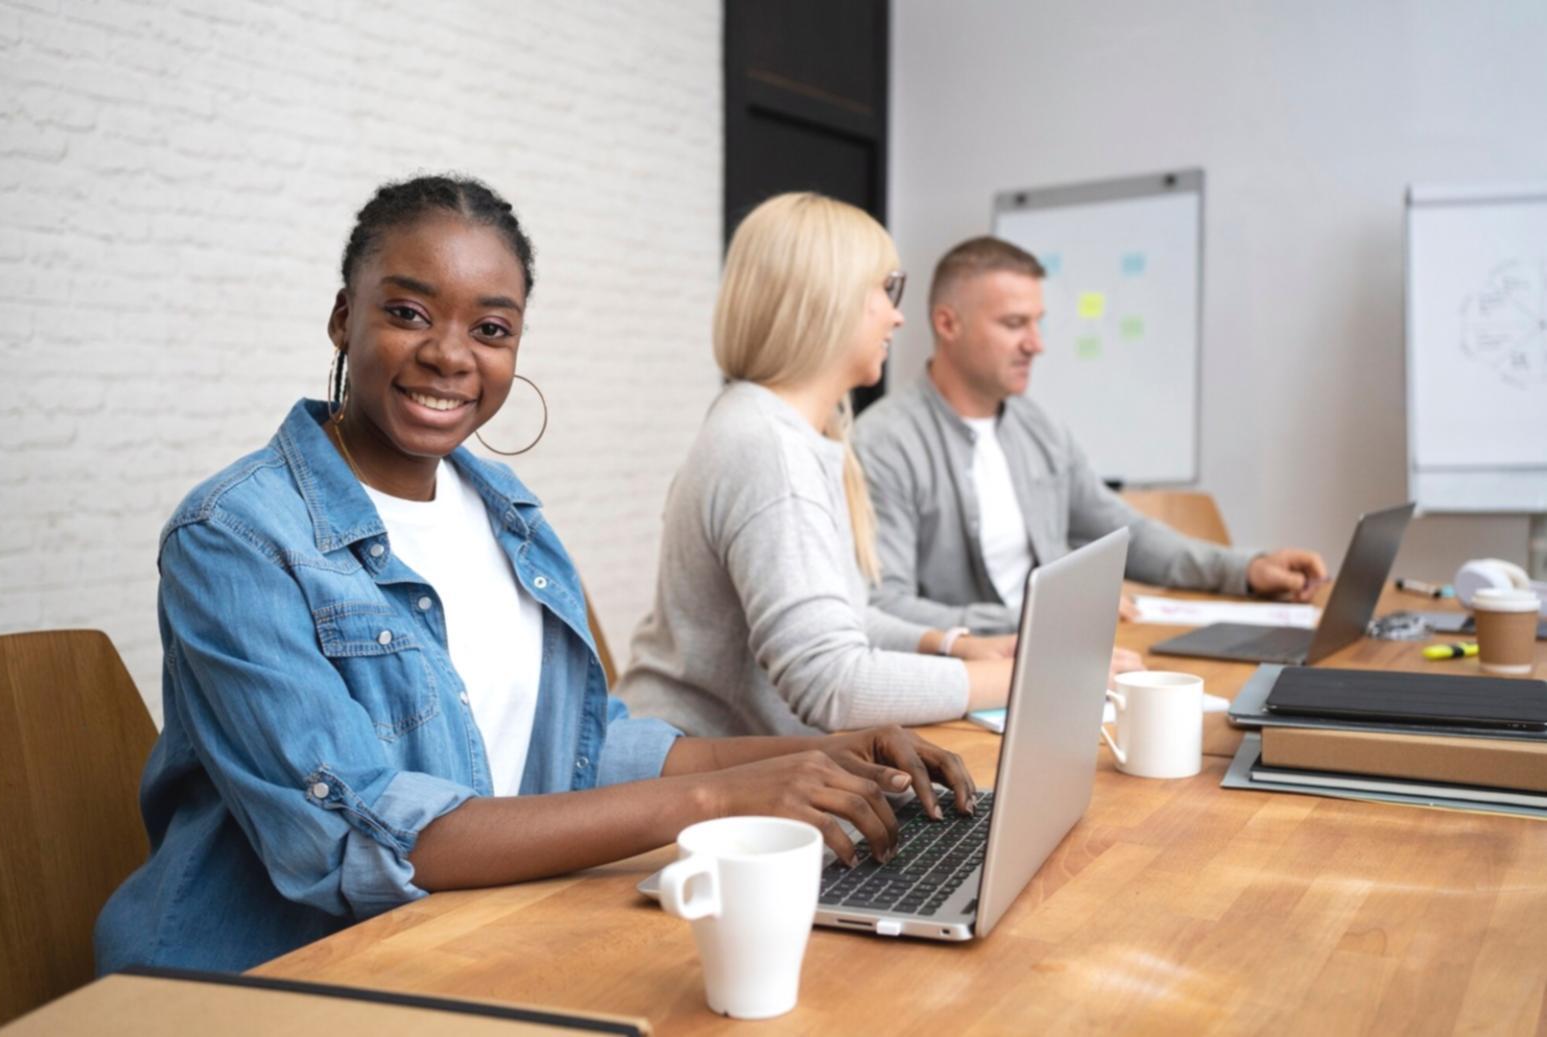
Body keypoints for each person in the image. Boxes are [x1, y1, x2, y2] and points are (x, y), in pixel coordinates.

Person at [93, 176, 978, 975]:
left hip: (471, 941)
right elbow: (364, 837)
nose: (449, 354)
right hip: (274, 975)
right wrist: (719, 796)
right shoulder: (235, 536)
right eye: (407, 312)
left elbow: (585, 750)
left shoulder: (503, 507)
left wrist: (816, 752)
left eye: (490, 329)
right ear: (341, 316)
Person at [617, 193, 1018, 741]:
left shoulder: (788, 431)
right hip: (693, 785)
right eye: (886, 288)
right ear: (830, 298)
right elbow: (834, 684)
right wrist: (1019, 680)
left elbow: (839, 617)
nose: (898, 314)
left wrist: (953, 645)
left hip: (735, 768)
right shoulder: (767, 449)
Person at [852, 236, 1328, 635]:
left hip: (1063, 654)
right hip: (972, 679)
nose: (1035, 344)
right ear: (947, 323)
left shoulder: (1037, 429)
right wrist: (1032, 620)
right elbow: (884, 607)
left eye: (1038, 323)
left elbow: (1127, 535)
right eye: (1014, 324)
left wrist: (1245, 569)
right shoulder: (885, 444)